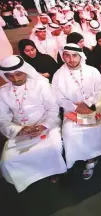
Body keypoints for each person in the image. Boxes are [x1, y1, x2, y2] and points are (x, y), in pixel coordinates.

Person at [52, 44, 101, 179]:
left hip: (96, 104)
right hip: (72, 110)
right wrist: (75, 107)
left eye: (74, 55)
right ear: (63, 56)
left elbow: (100, 90)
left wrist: (88, 103)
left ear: (80, 56)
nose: (71, 59)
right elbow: (59, 98)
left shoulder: (92, 71)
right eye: (67, 55)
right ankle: (90, 158)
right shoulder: (58, 76)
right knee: (69, 132)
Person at [0, 55, 67, 192]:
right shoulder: (3, 92)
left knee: (53, 147)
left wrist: (43, 126)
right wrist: (20, 130)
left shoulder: (41, 84)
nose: (16, 79)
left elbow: (53, 109)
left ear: (25, 70)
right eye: (10, 76)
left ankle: (53, 170)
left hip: (46, 124)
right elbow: (3, 120)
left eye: (18, 74)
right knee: (7, 161)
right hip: (20, 130)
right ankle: (28, 176)